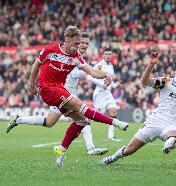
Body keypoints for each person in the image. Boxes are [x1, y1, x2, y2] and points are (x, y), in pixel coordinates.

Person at [9, 26, 129, 167]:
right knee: (80, 106)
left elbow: (91, 71)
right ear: (67, 40)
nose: (78, 47)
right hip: (48, 89)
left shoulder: (76, 58)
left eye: (80, 44)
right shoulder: (50, 50)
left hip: (61, 90)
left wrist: (106, 75)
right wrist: (31, 85)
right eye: (76, 44)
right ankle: (115, 123)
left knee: (81, 121)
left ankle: (61, 151)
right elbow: (36, 66)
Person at [100, 51, 176, 165]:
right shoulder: (166, 82)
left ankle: (169, 143)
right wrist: (151, 65)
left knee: (175, 136)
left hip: (173, 124)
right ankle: (112, 158)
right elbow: (144, 81)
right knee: (130, 150)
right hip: (156, 120)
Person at [88, 48, 121, 141]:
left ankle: (111, 136)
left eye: (110, 54)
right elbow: (89, 77)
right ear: (103, 55)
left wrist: (115, 85)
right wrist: (101, 84)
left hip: (108, 94)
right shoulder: (100, 65)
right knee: (96, 117)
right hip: (99, 94)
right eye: (106, 54)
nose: (108, 55)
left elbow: (109, 81)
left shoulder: (111, 66)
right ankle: (82, 124)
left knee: (113, 111)